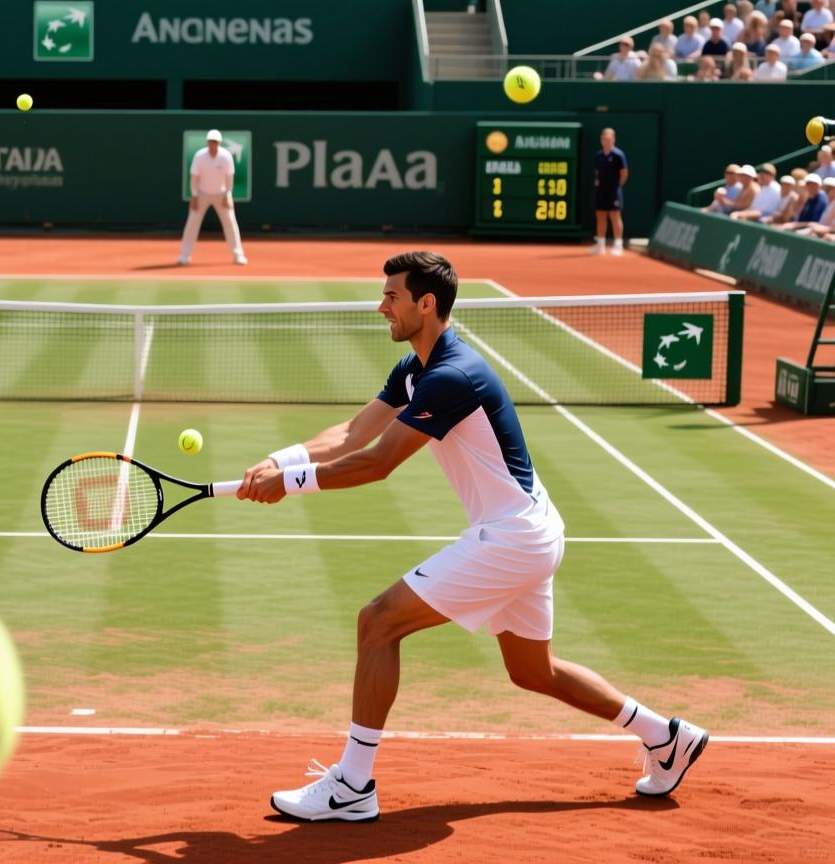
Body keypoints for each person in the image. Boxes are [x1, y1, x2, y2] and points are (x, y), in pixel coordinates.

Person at [239, 251, 709, 822]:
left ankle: (353, 786)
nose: (381, 306)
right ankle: (667, 736)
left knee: (378, 621)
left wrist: (289, 484)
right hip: (531, 529)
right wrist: (274, 460)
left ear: (425, 303)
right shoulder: (414, 369)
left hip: (512, 536)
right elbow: (352, 432)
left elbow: (378, 461)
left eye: (392, 296)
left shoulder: (451, 376)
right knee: (533, 671)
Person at [178, 129, 247, 266]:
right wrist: (195, 196)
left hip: (221, 194)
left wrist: (228, 195)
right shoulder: (200, 156)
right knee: (192, 224)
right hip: (202, 194)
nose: (212, 144)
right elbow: (194, 178)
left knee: (230, 223)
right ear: (207, 142)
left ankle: (238, 255)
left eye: (215, 142)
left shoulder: (226, 156)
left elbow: (229, 178)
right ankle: (184, 255)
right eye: (210, 141)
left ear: (219, 143)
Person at [592, 128, 628, 255]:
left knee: (615, 216)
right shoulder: (598, 155)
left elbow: (624, 173)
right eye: (604, 138)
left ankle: (618, 245)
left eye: (609, 138)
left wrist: (617, 186)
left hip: (614, 191)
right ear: (601, 140)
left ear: (613, 139)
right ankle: (600, 245)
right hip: (601, 191)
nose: (606, 140)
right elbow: (597, 173)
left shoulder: (619, 155)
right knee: (600, 216)